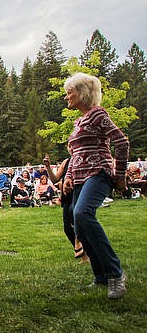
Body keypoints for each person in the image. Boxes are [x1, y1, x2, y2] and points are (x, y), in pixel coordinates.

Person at [62, 72, 130, 299]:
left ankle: (115, 274)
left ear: (82, 93)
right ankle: (100, 276)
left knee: (82, 213)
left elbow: (121, 142)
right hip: (80, 177)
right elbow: (77, 154)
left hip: (98, 173)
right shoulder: (78, 121)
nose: (66, 97)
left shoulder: (98, 114)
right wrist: (69, 175)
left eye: (69, 93)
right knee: (77, 225)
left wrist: (119, 176)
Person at [43, 155, 89, 264]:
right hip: (67, 196)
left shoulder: (84, 159)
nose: (71, 148)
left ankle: (86, 249)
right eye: (69, 146)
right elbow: (55, 179)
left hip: (80, 194)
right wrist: (48, 167)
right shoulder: (66, 162)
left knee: (76, 218)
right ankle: (83, 255)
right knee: (67, 229)